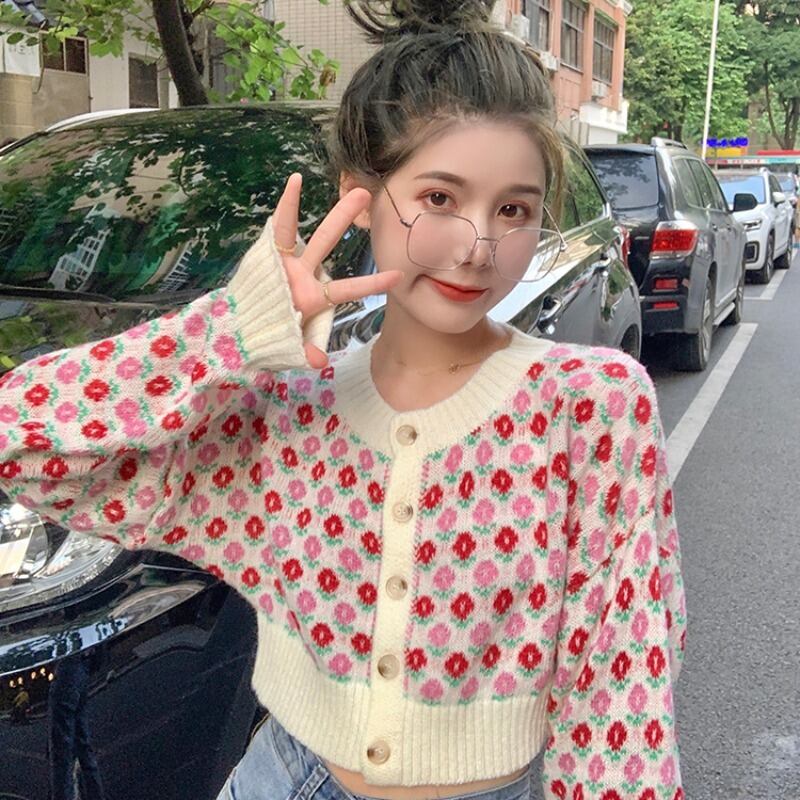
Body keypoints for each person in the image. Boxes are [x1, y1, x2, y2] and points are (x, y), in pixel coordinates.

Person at [0, 1, 686, 798]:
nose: (477, 246)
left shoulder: (590, 407)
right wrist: (231, 327)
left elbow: (621, 685)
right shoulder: (288, 407)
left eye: (514, 210)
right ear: (359, 195)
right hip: (284, 780)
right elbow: (23, 439)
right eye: (439, 198)